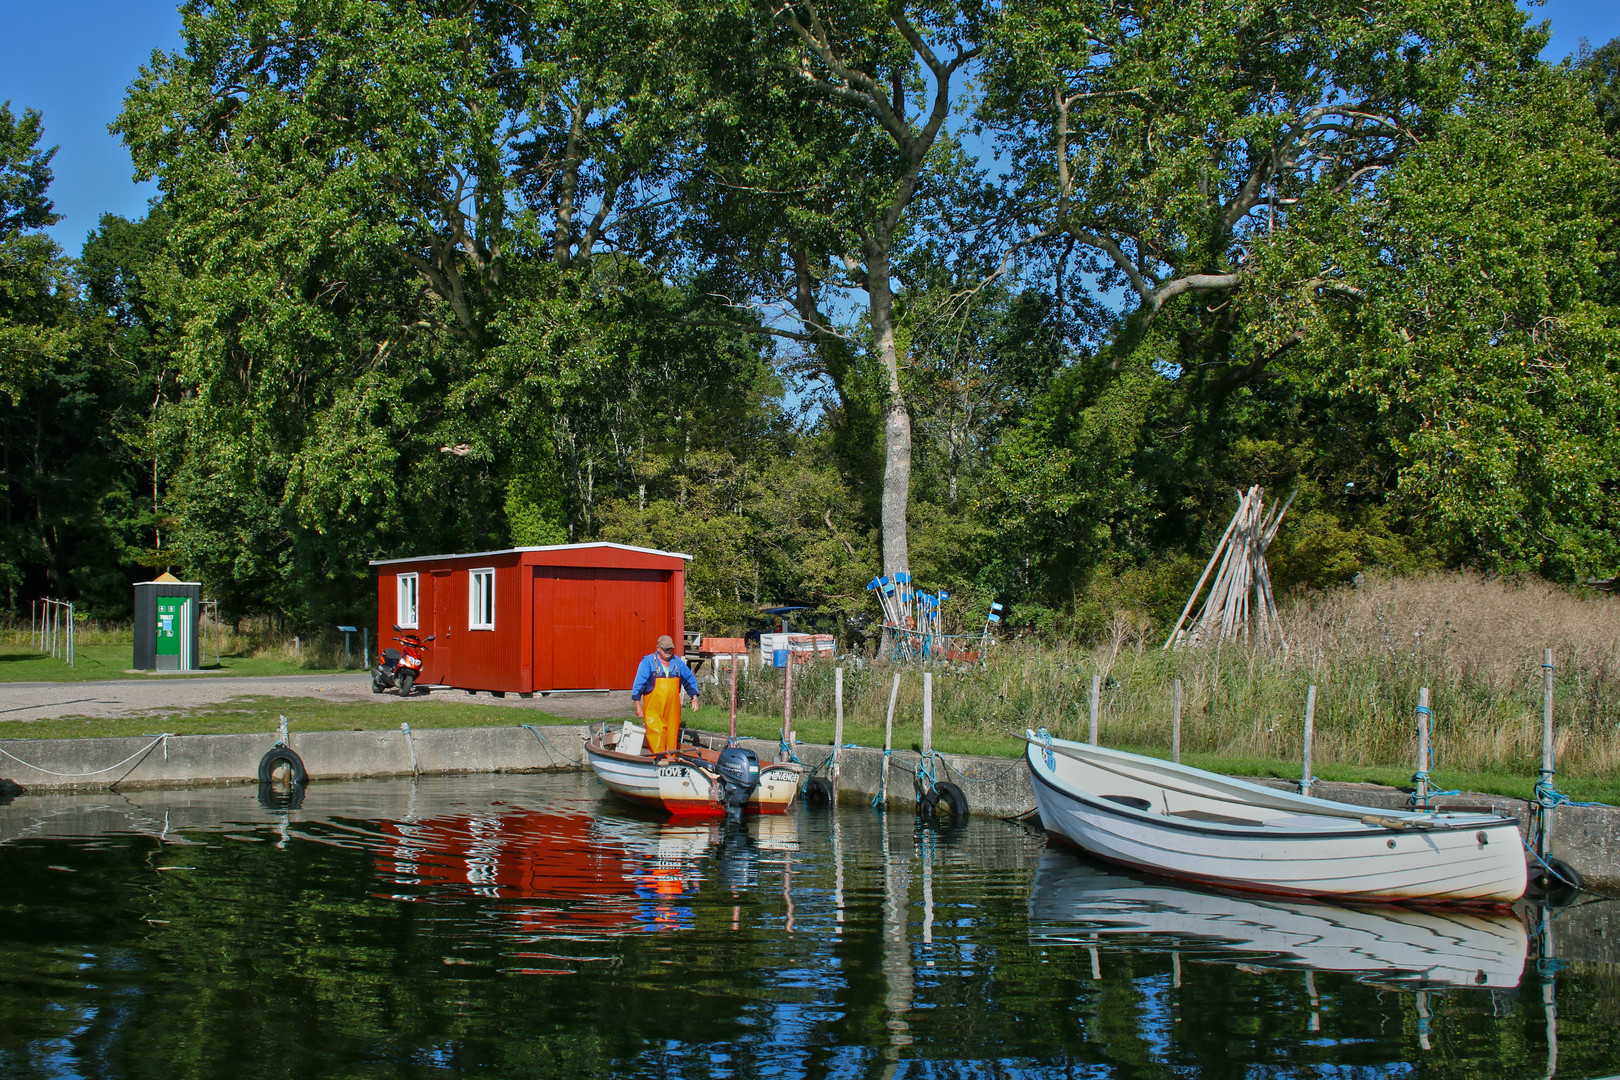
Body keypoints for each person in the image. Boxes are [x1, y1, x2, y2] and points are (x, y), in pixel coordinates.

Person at [631, 634, 701, 755]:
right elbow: (639, 684)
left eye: (670, 649)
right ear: (658, 648)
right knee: (656, 732)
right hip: (653, 708)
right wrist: (637, 704)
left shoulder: (677, 663)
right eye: (665, 649)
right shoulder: (647, 662)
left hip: (672, 709)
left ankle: (671, 759)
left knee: (672, 733)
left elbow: (690, 680)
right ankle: (658, 758)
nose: (668, 652)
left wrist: (694, 697)